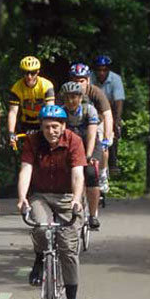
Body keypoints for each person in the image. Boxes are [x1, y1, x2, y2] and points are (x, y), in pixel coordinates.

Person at [17, 104, 86, 299]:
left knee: (68, 248)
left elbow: (78, 174)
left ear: (64, 126)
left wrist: (76, 198)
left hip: (67, 197)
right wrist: (22, 197)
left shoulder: (74, 141)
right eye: (46, 127)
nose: (51, 131)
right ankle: (39, 258)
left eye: (55, 127)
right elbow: (26, 169)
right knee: (40, 227)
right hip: (41, 195)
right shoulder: (32, 141)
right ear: (41, 127)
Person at [59, 81, 102, 229]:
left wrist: (89, 156)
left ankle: (93, 215)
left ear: (80, 97)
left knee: (90, 173)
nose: (71, 101)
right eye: (67, 97)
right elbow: (61, 135)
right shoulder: (61, 112)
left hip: (89, 144)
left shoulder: (89, 110)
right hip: (72, 144)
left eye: (74, 97)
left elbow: (91, 134)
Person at [69, 62, 114, 194]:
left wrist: (107, 137)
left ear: (88, 80)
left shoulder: (96, 92)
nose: (78, 84)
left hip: (97, 122)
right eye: (74, 80)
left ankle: (102, 174)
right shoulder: (66, 92)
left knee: (103, 146)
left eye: (81, 81)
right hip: (75, 123)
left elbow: (107, 115)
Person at [7, 56, 55, 149]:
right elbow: (13, 112)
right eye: (26, 73)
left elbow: (50, 110)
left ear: (38, 72)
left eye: (32, 73)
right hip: (25, 123)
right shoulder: (16, 88)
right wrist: (11, 133)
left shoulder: (46, 85)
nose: (29, 76)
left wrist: (47, 127)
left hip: (42, 121)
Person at [91, 54, 126, 184]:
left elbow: (118, 101)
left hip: (110, 110)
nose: (101, 72)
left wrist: (116, 121)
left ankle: (112, 163)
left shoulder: (115, 79)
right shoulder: (89, 78)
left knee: (113, 131)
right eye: (98, 69)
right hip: (93, 109)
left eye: (104, 69)